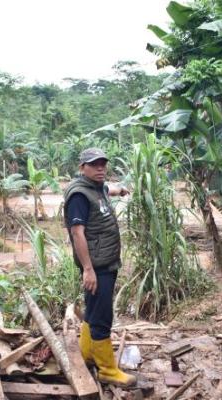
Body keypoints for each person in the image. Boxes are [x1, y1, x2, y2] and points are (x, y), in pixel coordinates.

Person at [63, 147, 136, 387]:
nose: (100, 168)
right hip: (97, 267)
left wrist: (121, 190)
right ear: (82, 167)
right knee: (102, 316)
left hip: (105, 262)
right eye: (94, 165)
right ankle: (107, 370)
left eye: (103, 164)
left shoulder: (98, 188)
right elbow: (77, 233)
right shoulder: (79, 196)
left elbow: (109, 189)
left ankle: (86, 355)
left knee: (93, 311)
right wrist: (88, 269)